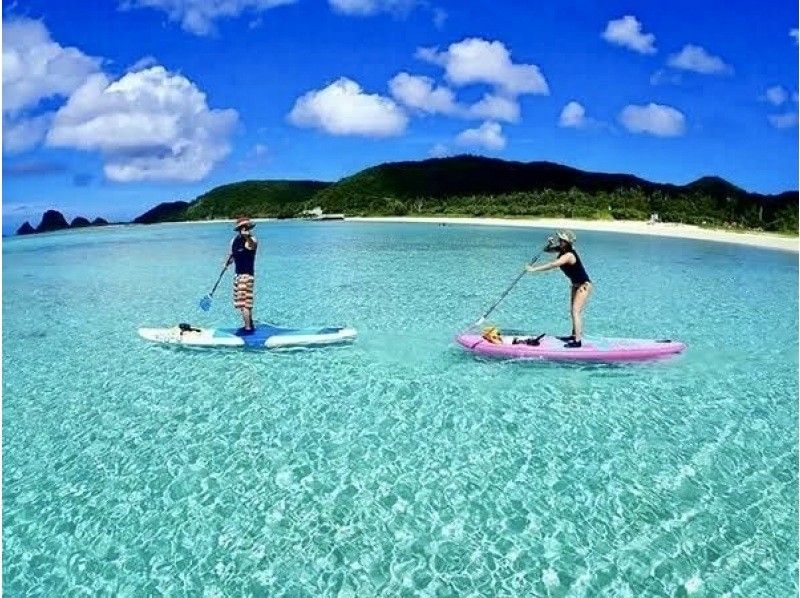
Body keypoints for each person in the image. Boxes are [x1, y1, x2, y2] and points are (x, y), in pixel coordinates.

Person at [525, 230, 592, 348]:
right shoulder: (562, 250)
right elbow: (546, 250)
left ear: (567, 242)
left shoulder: (569, 255)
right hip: (575, 285)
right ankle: (573, 335)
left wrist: (534, 269)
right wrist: (549, 244)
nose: (559, 241)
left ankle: (578, 341)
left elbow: (553, 264)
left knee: (576, 312)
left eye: (562, 240)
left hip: (583, 286)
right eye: (559, 239)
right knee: (573, 311)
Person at [224, 217, 258, 335]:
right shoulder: (233, 241)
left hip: (247, 275)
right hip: (237, 275)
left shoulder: (252, 239)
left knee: (245, 304)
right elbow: (232, 254)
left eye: (247, 227)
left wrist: (247, 236)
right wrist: (227, 262)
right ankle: (250, 325)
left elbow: (252, 246)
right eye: (242, 227)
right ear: (238, 229)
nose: (245, 229)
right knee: (240, 303)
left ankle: (248, 329)